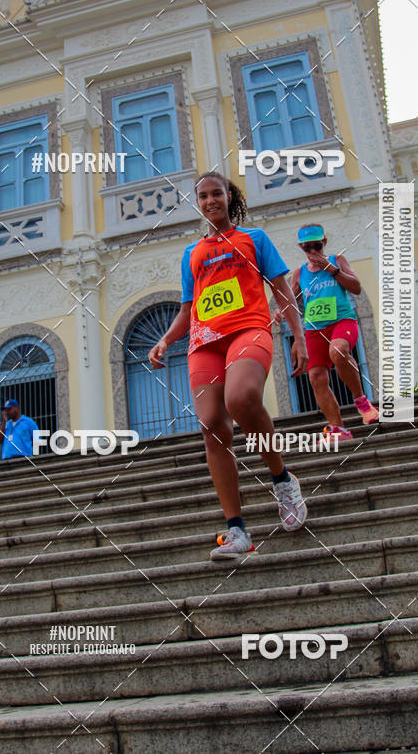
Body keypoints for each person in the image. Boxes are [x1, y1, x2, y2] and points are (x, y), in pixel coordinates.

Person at [148, 171, 308, 560]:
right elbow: (189, 308)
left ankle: (283, 481)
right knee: (211, 426)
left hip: (249, 330)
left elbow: (281, 290)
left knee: (242, 398)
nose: (209, 201)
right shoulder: (191, 254)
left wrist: (298, 336)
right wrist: (167, 339)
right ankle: (237, 531)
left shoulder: (254, 239)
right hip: (205, 343)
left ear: (228, 196)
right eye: (201, 196)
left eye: (215, 193)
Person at [288, 224, 378, 440]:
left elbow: (356, 287)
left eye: (316, 246)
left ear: (324, 243)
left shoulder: (338, 260)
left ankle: (362, 402)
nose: (313, 251)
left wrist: (331, 269)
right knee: (316, 376)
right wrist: (280, 313)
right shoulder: (300, 272)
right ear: (301, 248)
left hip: (342, 320)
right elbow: (290, 302)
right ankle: (338, 428)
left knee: (337, 351)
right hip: (314, 328)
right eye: (307, 247)